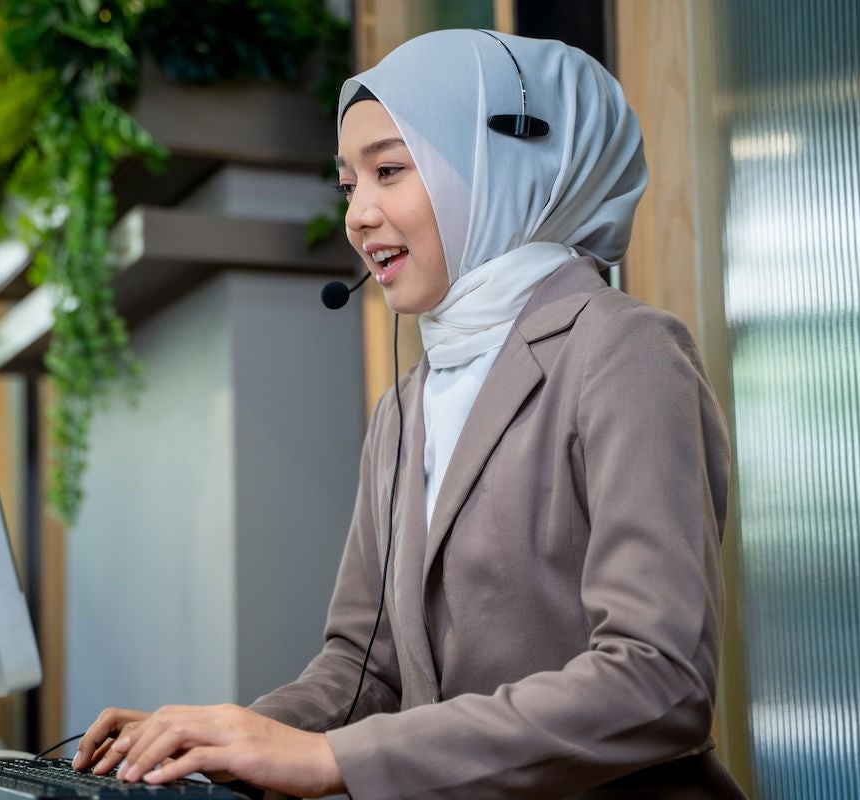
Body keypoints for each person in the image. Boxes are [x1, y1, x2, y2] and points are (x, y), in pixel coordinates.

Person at [72, 29, 747, 799]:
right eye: (348, 184)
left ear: (503, 166)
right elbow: (366, 665)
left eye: (388, 171)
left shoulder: (623, 352)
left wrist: (335, 762)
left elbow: (659, 682)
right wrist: (225, 739)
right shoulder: (405, 404)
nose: (359, 215)